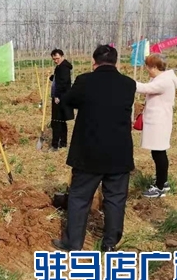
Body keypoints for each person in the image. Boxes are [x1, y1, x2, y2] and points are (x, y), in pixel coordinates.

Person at [52, 45, 136, 252]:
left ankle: (73, 244)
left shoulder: (85, 80)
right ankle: (110, 244)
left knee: (80, 198)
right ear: (116, 62)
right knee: (115, 200)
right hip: (119, 152)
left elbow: (69, 100)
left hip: (88, 152)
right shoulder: (128, 84)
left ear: (94, 61)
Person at [135, 54, 177, 198]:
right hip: (159, 120)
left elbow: (145, 88)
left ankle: (160, 187)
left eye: (148, 67)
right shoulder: (162, 79)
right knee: (158, 152)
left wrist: (126, 82)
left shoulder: (164, 81)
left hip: (159, 121)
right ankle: (162, 180)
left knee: (159, 153)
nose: (147, 70)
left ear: (154, 67)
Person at [48, 49, 74, 152]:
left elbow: (63, 82)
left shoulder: (64, 67)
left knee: (56, 121)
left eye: (57, 58)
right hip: (62, 97)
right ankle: (63, 143)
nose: (55, 61)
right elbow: (59, 79)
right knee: (61, 121)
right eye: (54, 59)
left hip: (60, 98)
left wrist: (57, 96)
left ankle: (55, 145)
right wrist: (52, 77)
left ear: (62, 56)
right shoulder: (61, 67)